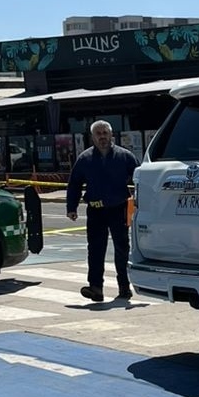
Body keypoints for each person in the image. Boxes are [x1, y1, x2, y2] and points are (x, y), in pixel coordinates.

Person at [66, 120, 138, 302]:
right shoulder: (85, 159)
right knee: (96, 250)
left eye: (105, 133)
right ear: (93, 137)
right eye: (98, 133)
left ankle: (124, 287)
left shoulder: (125, 156)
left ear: (111, 135)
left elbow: (140, 178)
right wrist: (71, 207)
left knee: (122, 248)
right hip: (96, 211)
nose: (102, 136)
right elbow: (74, 184)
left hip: (119, 209)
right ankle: (96, 288)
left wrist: (140, 201)